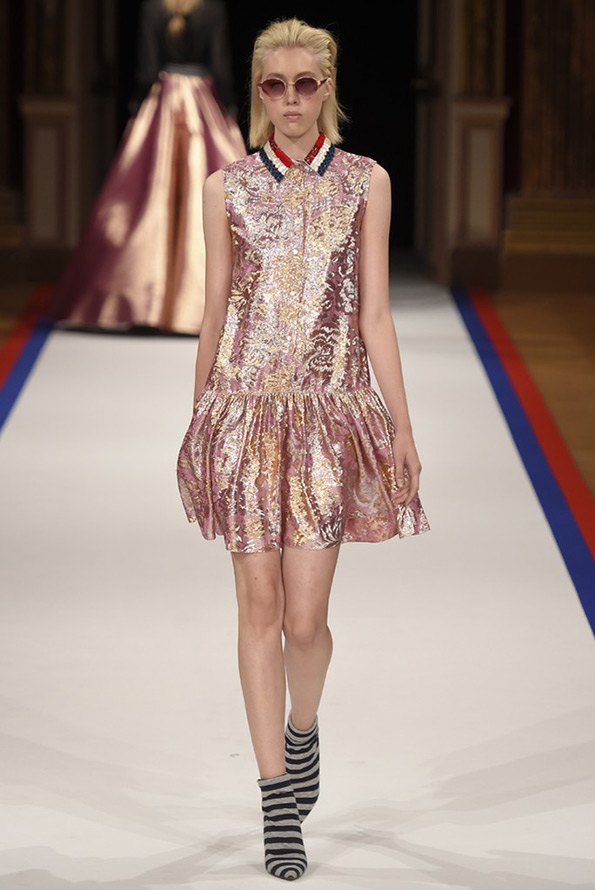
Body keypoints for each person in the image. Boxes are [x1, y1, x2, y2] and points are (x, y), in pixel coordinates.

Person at [176, 17, 430, 881]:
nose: (290, 100)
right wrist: (200, 420)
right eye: (274, 85)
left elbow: (374, 313)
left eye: (305, 83)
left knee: (305, 621)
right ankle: (275, 800)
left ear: (327, 87)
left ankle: (302, 728)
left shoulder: (365, 182)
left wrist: (400, 426)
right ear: (258, 92)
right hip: (245, 416)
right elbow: (215, 308)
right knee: (257, 609)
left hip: (326, 417)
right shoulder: (226, 187)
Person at [48, 0, 245, 335]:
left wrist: (138, 105)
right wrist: (227, 107)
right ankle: (200, 305)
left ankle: (143, 300)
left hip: (164, 103)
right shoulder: (211, 8)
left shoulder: (154, 7)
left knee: (150, 195)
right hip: (202, 103)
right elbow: (220, 65)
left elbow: (146, 68)